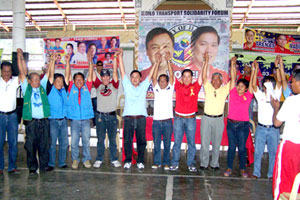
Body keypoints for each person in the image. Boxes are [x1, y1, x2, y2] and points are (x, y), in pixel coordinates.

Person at [119, 49, 156, 170]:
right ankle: (128, 160)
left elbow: (150, 74)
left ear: (140, 79)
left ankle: (140, 160)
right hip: (128, 119)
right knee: (128, 141)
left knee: (141, 141)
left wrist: (156, 63)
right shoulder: (127, 85)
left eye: (137, 77)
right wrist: (120, 56)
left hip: (141, 119)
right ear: (130, 79)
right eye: (133, 77)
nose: (135, 78)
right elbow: (122, 71)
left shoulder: (144, 86)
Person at [18, 48, 52, 174]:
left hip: (44, 122)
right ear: (29, 81)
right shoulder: (26, 87)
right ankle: (32, 168)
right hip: (32, 123)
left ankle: (44, 166)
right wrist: (20, 57)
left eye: (39, 79)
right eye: (35, 80)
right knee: (31, 146)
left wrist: (51, 60)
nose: (38, 82)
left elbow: (48, 74)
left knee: (44, 145)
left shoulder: (42, 86)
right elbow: (22, 72)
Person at [199, 53, 235, 171]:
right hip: (206, 119)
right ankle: (204, 163)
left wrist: (233, 65)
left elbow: (233, 79)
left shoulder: (225, 90)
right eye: (213, 79)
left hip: (219, 119)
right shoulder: (208, 87)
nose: (215, 81)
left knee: (216, 143)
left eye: (217, 79)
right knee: (204, 143)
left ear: (221, 81)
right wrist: (206, 62)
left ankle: (214, 164)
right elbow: (204, 77)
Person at [271, 69, 300, 200]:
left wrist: (276, 107)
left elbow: (277, 123)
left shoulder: (291, 101)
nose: (291, 84)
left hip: (291, 147)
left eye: (293, 81)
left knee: (284, 181)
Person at [223, 57, 254, 178]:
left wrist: (254, 70)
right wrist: (233, 63)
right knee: (231, 147)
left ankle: (242, 169)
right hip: (231, 124)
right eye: (238, 85)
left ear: (246, 89)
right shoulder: (233, 93)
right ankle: (229, 167)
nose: (239, 87)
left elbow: (252, 83)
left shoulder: (249, 96)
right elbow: (233, 76)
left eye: (242, 86)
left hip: (243, 126)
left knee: (241, 148)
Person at [92, 49, 123, 168]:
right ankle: (99, 158)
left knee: (112, 140)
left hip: (111, 116)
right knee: (100, 140)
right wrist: (90, 60)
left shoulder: (113, 85)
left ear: (109, 78)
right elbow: (93, 73)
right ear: (101, 77)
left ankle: (114, 159)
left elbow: (115, 71)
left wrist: (115, 58)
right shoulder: (98, 85)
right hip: (100, 116)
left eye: (107, 77)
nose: (105, 78)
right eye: (103, 76)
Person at [252, 59, 281, 180]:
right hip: (261, 128)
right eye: (265, 84)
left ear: (273, 87)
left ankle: (271, 174)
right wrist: (255, 70)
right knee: (258, 152)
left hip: (273, 129)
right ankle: (256, 173)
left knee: (273, 153)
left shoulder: (276, 95)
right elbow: (253, 85)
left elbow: (279, 81)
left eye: (270, 84)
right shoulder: (260, 96)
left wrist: (277, 67)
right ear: (263, 86)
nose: (267, 87)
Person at [169, 66, 202, 172]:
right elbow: (171, 74)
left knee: (191, 143)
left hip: (191, 119)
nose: (186, 78)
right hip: (178, 118)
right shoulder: (178, 86)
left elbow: (202, 77)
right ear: (181, 78)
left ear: (192, 78)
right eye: (184, 76)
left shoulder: (195, 86)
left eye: (189, 76)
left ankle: (191, 163)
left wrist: (205, 62)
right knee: (177, 142)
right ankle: (174, 163)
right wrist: (169, 62)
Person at [66, 49, 94, 170]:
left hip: (86, 119)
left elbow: (91, 73)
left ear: (83, 81)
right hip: (74, 120)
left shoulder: (87, 87)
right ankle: (75, 160)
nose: (79, 81)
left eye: (80, 79)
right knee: (74, 142)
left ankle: (86, 159)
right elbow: (67, 75)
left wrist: (90, 61)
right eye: (76, 79)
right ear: (74, 81)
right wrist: (67, 62)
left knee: (86, 141)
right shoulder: (71, 87)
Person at [151, 51, 174, 170]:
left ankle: (166, 162)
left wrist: (168, 61)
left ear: (167, 82)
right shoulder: (156, 89)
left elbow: (172, 74)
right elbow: (154, 77)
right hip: (156, 122)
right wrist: (158, 62)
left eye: (164, 81)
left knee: (167, 144)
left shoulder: (170, 89)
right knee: (156, 144)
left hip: (168, 122)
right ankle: (156, 162)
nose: (162, 82)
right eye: (161, 81)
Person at [46, 53, 70, 170]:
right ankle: (51, 163)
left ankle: (61, 162)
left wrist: (67, 62)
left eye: (61, 81)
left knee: (64, 143)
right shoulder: (50, 89)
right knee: (52, 143)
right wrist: (53, 62)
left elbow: (67, 75)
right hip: (53, 121)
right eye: (58, 81)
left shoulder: (64, 90)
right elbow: (50, 76)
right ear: (53, 82)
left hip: (64, 120)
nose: (60, 83)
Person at [0, 60, 24, 174]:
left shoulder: (15, 81)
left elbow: (23, 73)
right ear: (1, 71)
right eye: (4, 71)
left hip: (12, 116)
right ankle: (0, 167)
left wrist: (20, 58)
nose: (6, 73)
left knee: (13, 142)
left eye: (9, 71)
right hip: (0, 116)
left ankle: (12, 166)